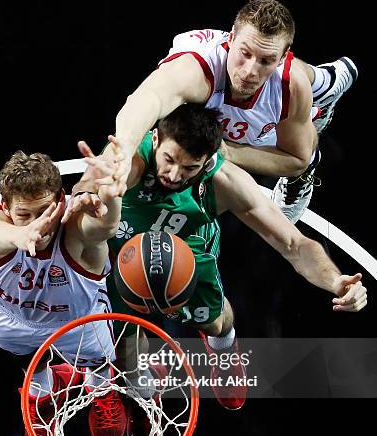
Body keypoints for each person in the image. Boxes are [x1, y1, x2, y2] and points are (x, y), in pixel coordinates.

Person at [68, 104, 367, 418]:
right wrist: (86, 195)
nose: (173, 174)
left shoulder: (224, 181)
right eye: (169, 160)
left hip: (187, 249)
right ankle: (138, 390)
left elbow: (294, 243)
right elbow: (85, 187)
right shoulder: (129, 161)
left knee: (215, 320)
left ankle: (223, 351)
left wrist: (335, 280)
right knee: (125, 348)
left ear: (207, 160)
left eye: (189, 168)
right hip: (123, 254)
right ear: (155, 140)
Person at [109, 0, 357, 223]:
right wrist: (123, 152)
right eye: (245, 54)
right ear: (230, 39)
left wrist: (227, 153)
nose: (250, 71)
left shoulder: (290, 84)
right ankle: (324, 86)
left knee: (304, 144)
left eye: (266, 60)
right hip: (216, 111)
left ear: (282, 57)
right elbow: (144, 100)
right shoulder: (196, 70)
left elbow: (296, 160)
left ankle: (326, 82)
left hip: (263, 124)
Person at [0, 142, 127, 436]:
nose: (36, 223)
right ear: (5, 206)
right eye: (23, 214)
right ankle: (40, 392)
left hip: (76, 320)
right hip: (5, 314)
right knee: (30, 355)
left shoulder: (76, 229)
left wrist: (111, 197)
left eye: (44, 212)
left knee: (99, 363)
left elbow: (103, 227)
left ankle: (101, 390)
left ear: (61, 201)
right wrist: (20, 236)